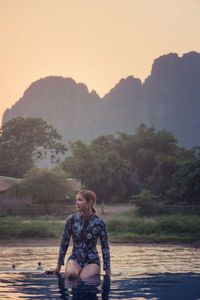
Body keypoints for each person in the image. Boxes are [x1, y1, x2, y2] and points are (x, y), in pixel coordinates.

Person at [46, 190, 111, 280]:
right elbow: (64, 243)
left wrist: (107, 270)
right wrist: (58, 267)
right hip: (75, 259)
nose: (77, 203)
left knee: (83, 279)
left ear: (90, 202)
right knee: (72, 276)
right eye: (76, 200)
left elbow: (105, 247)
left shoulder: (99, 222)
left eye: (80, 200)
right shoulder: (71, 220)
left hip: (92, 262)